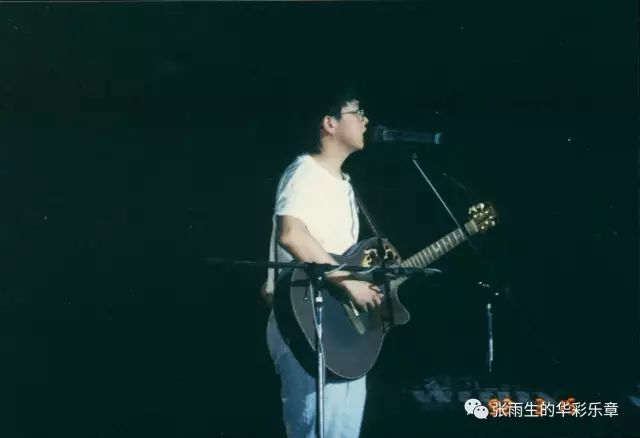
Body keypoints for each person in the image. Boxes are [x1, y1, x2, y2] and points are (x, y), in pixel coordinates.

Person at [261, 88, 384, 437]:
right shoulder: (305, 172)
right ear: (330, 123)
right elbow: (292, 234)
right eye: (357, 112)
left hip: (336, 327)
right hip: (307, 325)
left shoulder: (344, 184)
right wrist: (347, 282)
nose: (366, 120)